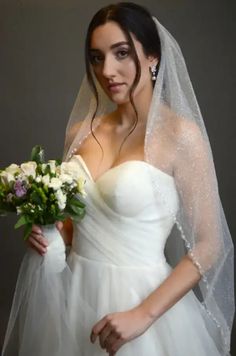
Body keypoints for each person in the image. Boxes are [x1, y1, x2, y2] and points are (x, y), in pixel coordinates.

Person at [2, 2, 234, 356]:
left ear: (153, 56)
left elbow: (209, 245)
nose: (107, 70)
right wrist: (52, 235)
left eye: (121, 53)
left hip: (139, 306)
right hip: (71, 299)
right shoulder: (82, 131)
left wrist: (143, 314)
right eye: (96, 58)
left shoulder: (179, 136)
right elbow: (76, 223)